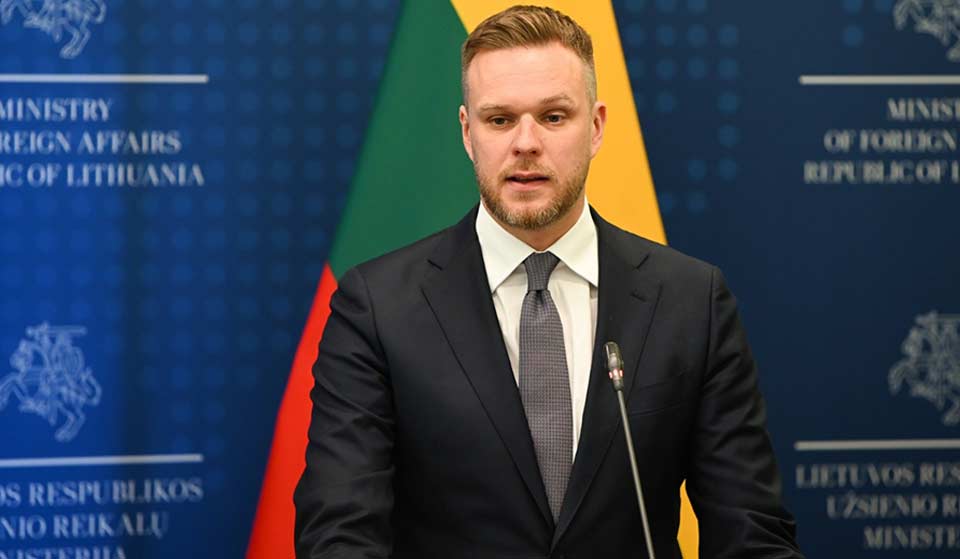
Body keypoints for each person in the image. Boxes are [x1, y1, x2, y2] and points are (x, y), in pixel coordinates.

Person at [294, 5, 803, 558]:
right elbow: (339, 534)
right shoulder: (378, 307)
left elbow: (751, 532)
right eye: (499, 120)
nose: (526, 143)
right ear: (467, 132)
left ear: (596, 127)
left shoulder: (691, 300)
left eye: (554, 117)